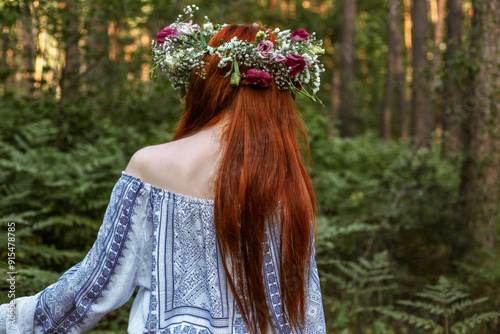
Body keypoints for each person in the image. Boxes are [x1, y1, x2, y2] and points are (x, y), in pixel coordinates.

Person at [0, 7, 326, 333]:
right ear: (279, 96)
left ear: (205, 84)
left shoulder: (152, 167)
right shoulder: (288, 184)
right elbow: (306, 312)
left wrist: (11, 320)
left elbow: (93, 287)